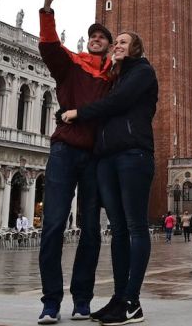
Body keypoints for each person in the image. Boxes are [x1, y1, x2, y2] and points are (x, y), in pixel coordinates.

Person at [60, 31, 157, 326]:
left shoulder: (142, 72)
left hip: (132, 154)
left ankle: (132, 302)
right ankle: (119, 298)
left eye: (123, 42)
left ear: (136, 49)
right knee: (118, 230)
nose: (117, 45)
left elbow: (117, 104)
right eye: (117, 42)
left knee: (135, 227)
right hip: (107, 158)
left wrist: (78, 112)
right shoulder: (114, 77)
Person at [37, 0, 114, 324]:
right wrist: (47, 5)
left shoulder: (115, 75)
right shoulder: (72, 64)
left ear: (110, 46)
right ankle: (51, 301)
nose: (96, 38)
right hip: (65, 148)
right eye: (93, 35)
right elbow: (50, 47)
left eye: (102, 37)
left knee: (92, 232)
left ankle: (82, 299)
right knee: (53, 225)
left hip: (95, 155)